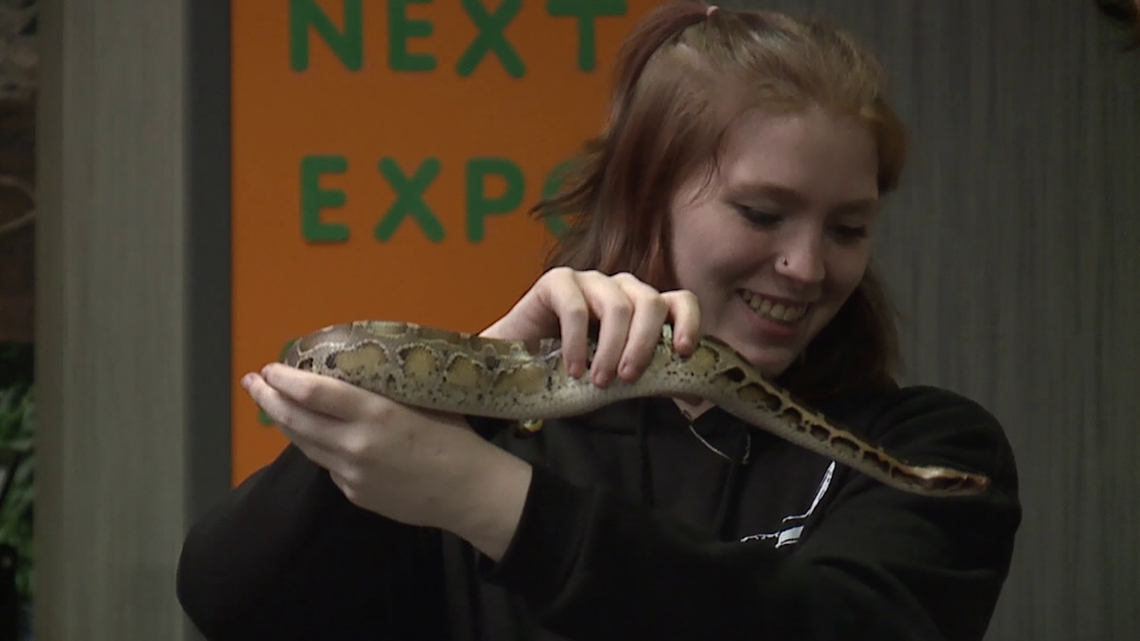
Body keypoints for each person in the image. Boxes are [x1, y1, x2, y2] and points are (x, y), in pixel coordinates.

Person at [175, 2, 1021, 639]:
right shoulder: (507, 429)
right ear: (646, 203)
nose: (807, 265)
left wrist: (494, 501)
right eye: (763, 215)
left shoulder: (928, 450)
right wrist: (483, 372)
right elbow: (232, 598)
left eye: (848, 229)